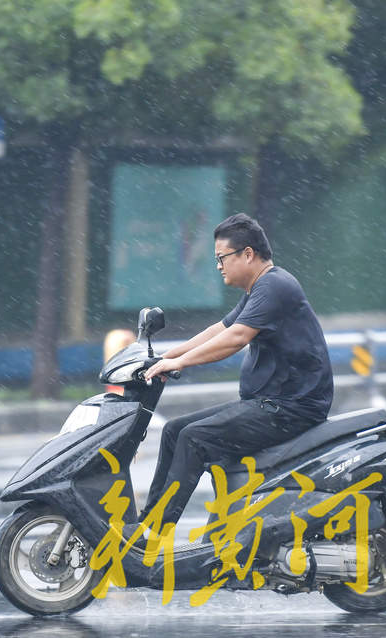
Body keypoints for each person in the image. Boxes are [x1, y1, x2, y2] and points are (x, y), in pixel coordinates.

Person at [136, 213, 334, 532]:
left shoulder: (275, 286)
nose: (218, 266)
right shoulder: (261, 288)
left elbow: (236, 337)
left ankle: (156, 533)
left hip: (290, 408)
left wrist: (180, 363)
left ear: (247, 254)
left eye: (222, 258)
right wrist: (165, 356)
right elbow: (220, 328)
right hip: (268, 403)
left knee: (193, 438)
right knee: (173, 431)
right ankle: (148, 524)